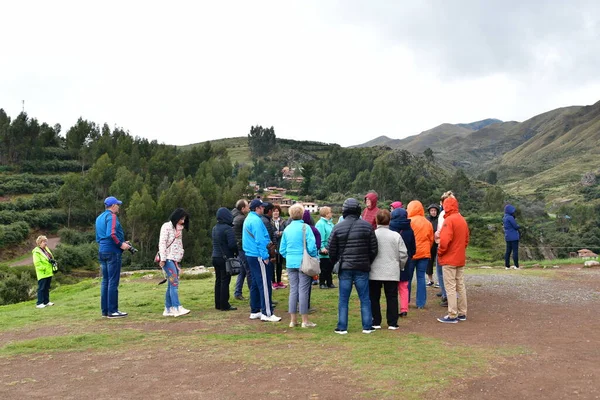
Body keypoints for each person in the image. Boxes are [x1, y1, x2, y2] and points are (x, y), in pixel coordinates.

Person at [329, 198, 378, 334]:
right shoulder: (367, 226)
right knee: (364, 298)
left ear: (344, 210)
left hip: (345, 267)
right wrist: (367, 261)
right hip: (362, 267)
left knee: (343, 299)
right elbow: (374, 249)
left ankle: (342, 327)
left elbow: (331, 248)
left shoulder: (338, 227)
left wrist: (336, 262)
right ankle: (367, 326)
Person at [279, 204, 318, 328]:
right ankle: (305, 321)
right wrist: (312, 256)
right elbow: (312, 246)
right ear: (301, 214)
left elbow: (282, 249)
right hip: (303, 262)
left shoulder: (287, 229)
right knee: (303, 290)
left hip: (291, 262)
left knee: (293, 290)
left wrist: (289, 256)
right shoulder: (306, 228)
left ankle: (293, 320)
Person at [243, 199, 282, 322]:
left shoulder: (249, 219)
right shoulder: (256, 221)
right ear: (257, 208)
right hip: (258, 255)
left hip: (250, 254)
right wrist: (265, 256)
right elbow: (260, 240)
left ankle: (255, 310)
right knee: (265, 284)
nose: (263, 209)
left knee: (255, 282)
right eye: (261, 207)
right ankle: (267, 313)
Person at [369, 210, 408, 330]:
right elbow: (403, 254)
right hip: (392, 270)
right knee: (391, 296)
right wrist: (400, 266)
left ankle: (376, 321)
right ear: (389, 220)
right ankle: (392, 322)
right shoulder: (396, 235)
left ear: (376, 220)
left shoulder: (372, 234)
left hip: (374, 271)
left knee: (374, 297)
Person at [96, 196, 131, 319]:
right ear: (113, 206)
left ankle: (105, 311)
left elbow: (101, 237)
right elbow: (111, 234)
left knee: (105, 280)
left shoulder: (99, 218)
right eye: (117, 205)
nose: (119, 207)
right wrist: (121, 244)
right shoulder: (112, 216)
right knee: (113, 281)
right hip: (112, 251)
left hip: (102, 250)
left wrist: (121, 241)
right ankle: (113, 310)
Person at [437, 197, 469, 323]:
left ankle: (452, 314)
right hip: (460, 258)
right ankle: (462, 312)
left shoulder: (448, 220)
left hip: (449, 259)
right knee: (460, 285)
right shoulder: (462, 220)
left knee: (450, 287)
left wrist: (440, 252)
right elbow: (466, 240)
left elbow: (444, 241)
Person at [158, 208, 191, 317]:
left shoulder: (179, 229)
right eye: (181, 218)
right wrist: (162, 258)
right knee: (174, 283)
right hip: (167, 258)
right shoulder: (166, 227)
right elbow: (162, 243)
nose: (182, 221)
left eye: (184, 219)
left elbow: (179, 245)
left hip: (174, 259)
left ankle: (168, 308)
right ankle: (177, 307)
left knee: (171, 284)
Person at [406, 200, 434, 309]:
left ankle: (406, 301)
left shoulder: (409, 221)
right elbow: (431, 239)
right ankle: (420, 303)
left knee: (408, 278)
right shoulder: (427, 222)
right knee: (421, 277)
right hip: (424, 254)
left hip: (412, 254)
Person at [389, 207, 416, 318]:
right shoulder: (409, 230)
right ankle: (404, 309)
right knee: (404, 286)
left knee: (393, 287)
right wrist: (409, 256)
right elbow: (413, 248)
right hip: (406, 261)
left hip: (393, 261)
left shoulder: (391, 229)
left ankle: (394, 308)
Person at [212, 207, 238, 311]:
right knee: (225, 281)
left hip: (215, 256)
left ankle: (218, 303)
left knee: (218, 280)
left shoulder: (214, 228)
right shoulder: (228, 229)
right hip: (225, 258)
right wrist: (236, 251)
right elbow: (232, 245)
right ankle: (224, 304)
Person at [435, 191, 455, 307]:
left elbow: (442, 232)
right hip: (454, 248)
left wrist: (437, 237)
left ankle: (445, 295)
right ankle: (450, 294)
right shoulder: (457, 215)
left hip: (443, 246)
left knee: (441, 271)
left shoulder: (443, 214)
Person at [232, 199, 252, 301]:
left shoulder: (234, 216)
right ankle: (253, 293)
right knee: (249, 270)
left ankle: (238, 292)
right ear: (243, 208)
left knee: (243, 271)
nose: (249, 208)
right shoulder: (242, 219)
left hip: (238, 247)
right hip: (242, 247)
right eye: (247, 206)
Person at [32, 235, 57, 309]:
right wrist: (44, 268)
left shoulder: (46, 249)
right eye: (43, 242)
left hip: (49, 272)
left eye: (46, 241)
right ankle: (39, 303)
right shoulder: (36, 252)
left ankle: (46, 301)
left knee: (47, 287)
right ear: (39, 243)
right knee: (41, 288)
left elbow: (49, 258)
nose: (45, 243)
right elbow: (37, 263)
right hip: (42, 273)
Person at [315, 206, 335, 289]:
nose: (331, 213)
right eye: (330, 212)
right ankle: (322, 283)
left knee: (329, 267)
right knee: (323, 268)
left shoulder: (330, 223)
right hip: (324, 250)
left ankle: (330, 282)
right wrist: (322, 247)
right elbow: (320, 237)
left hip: (331, 249)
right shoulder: (320, 224)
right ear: (326, 214)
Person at [303, 210, 321, 288]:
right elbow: (318, 242)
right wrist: (314, 251)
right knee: (312, 267)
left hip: (300, 254)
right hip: (312, 252)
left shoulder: (296, 228)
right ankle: (314, 279)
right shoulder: (313, 229)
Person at [271, 205, 287, 289]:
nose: (276, 213)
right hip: (273, 246)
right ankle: (273, 281)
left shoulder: (283, 221)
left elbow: (287, 230)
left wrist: (282, 233)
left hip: (281, 245)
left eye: (277, 211)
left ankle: (279, 281)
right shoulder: (269, 221)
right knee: (273, 264)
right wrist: (276, 233)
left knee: (279, 264)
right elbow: (270, 231)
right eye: (274, 211)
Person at [426, 204, 440, 286]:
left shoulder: (440, 219)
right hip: (429, 243)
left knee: (439, 262)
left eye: (435, 211)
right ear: (429, 211)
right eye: (432, 211)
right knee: (429, 262)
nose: (433, 212)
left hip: (438, 243)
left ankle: (439, 280)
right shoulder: (427, 220)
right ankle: (430, 280)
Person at [503, 204, 520, 270]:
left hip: (507, 236)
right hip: (514, 236)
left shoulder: (504, 217)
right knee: (515, 251)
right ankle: (516, 265)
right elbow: (515, 226)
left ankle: (507, 266)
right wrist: (519, 226)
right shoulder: (510, 217)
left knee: (508, 251)